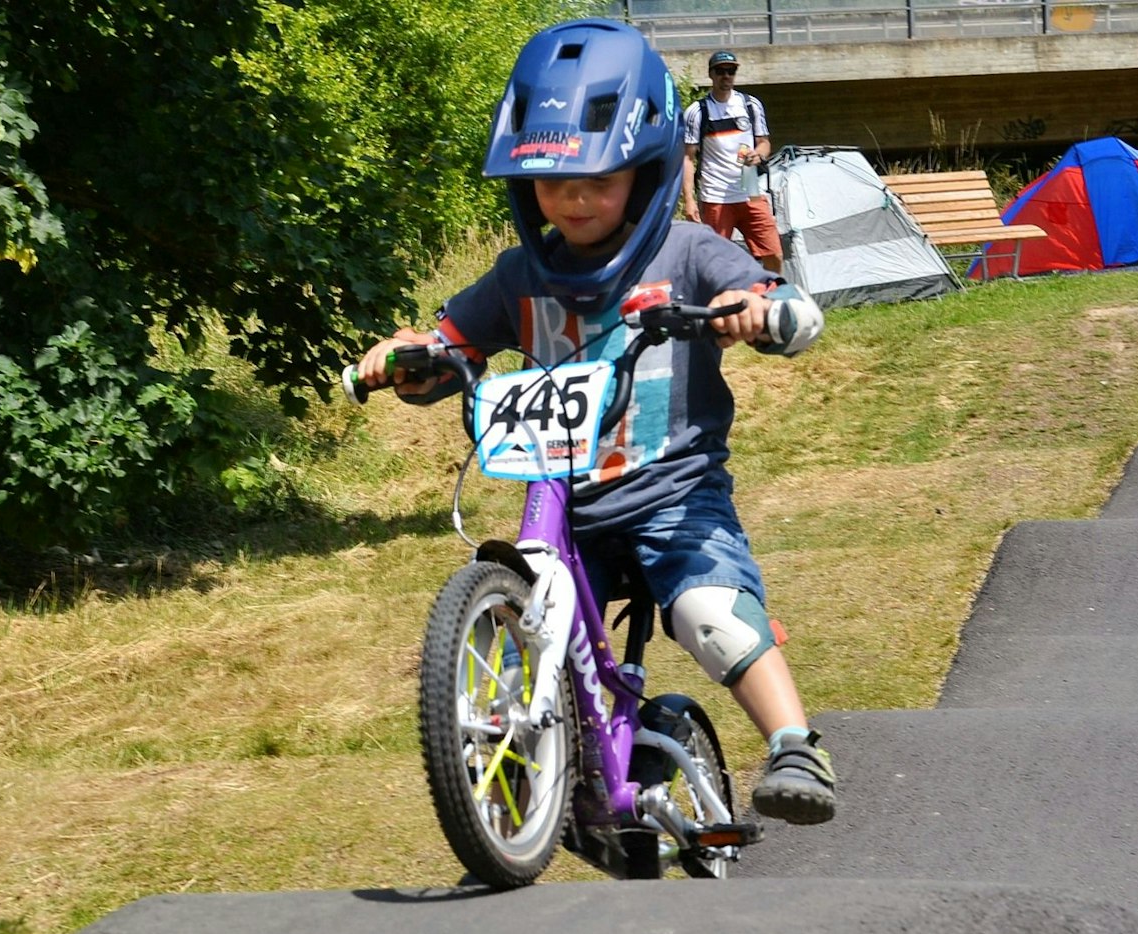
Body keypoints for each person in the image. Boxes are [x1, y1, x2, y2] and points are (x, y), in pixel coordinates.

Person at [355, 20, 836, 824]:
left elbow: (783, 303)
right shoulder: (520, 274)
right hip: (561, 508)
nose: (573, 200)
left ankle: (794, 742)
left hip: (670, 495)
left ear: (646, 175)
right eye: (552, 184)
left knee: (709, 614)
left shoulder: (687, 253)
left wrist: (758, 310)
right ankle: (525, 769)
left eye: (597, 179)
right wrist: (408, 355)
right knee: (519, 628)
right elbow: (449, 343)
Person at [681, 50, 782, 273]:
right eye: (720, 71)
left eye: (731, 71)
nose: (726, 76)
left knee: (773, 253)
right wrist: (689, 200)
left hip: (751, 192)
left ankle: (774, 299)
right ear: (711, 74)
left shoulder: (751, 105)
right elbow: (688, 159)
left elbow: (764, 143)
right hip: (715, 197)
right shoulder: (697, 112)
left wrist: (759, 154)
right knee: (715, 263)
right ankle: (721, 306)